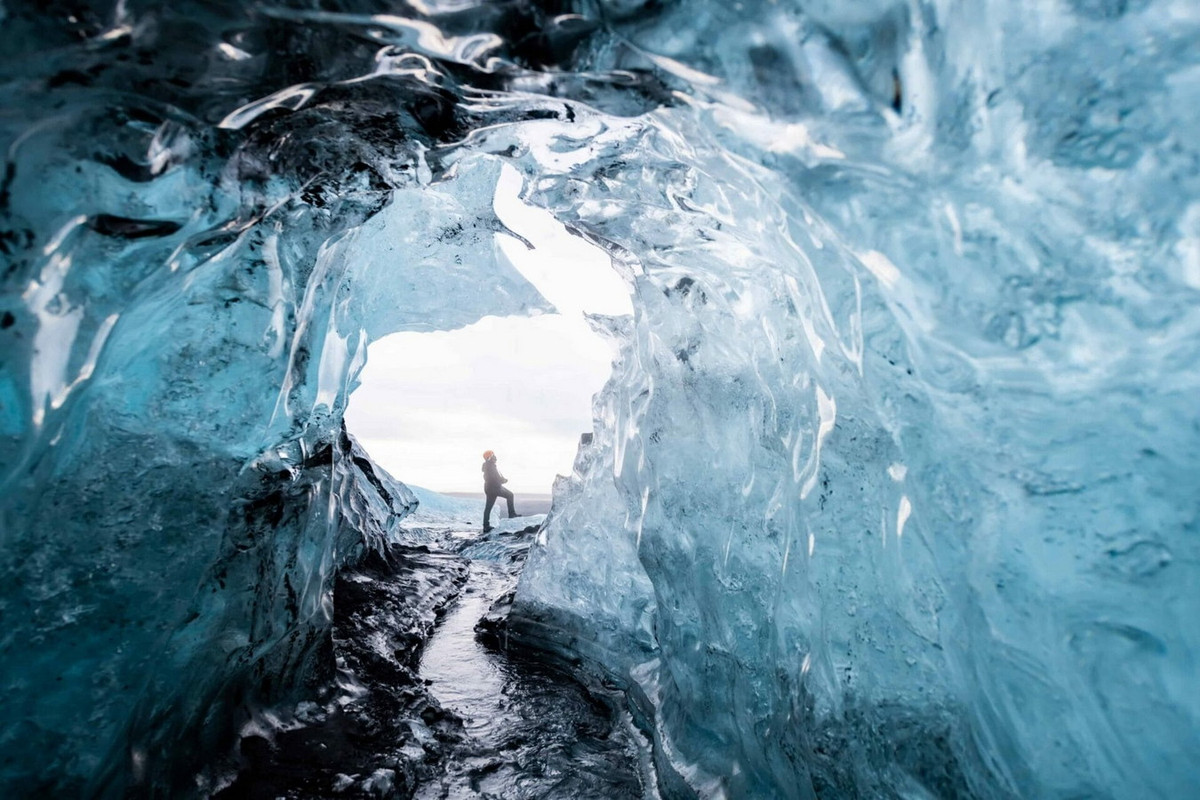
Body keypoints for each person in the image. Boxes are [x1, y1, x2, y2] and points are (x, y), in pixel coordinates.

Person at [481, 450, 518, 532]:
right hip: (495, 488)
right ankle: (512, 514)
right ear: (490, 457)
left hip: (489, 488)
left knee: (488, 507)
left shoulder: (488, 466)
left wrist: (501, 480)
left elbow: (491, 477)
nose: (495, 457)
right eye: (493, 455)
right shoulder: (491, 466)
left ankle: (486, 526)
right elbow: (495, 478)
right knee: (510, 495)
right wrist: (503, 481)